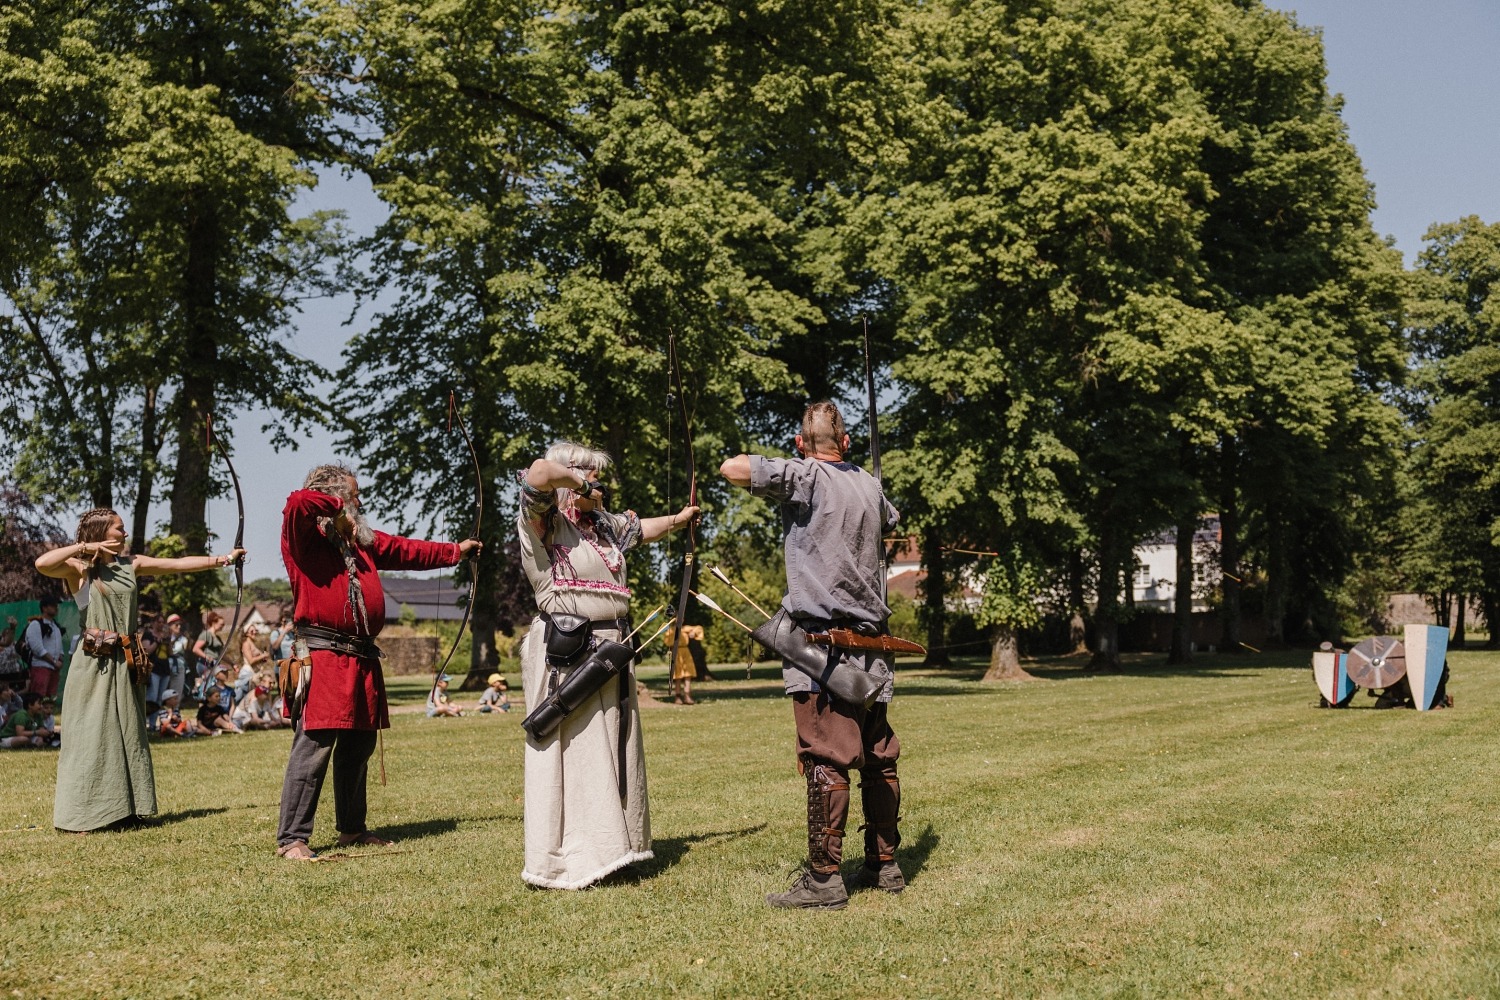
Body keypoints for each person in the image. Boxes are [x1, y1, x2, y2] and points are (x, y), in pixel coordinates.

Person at [720, 400, 905, 909]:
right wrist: (862, 474)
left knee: (827, 757)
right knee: (878, 757)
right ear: (845, 443)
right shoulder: (869, 483)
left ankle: (824, 881)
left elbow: (732, 467)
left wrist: (796, 466)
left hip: (823, 646)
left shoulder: (803, 475)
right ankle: (884, 865)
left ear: (802, 445)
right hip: (874, 644)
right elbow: (891, 517)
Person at [275, 463, 480, 861]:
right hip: (322, 654)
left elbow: (406, 550)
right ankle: (292, 839)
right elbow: (298, 502)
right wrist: (337, 505)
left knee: (359, 746)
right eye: (355, 497)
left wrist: (456, 552)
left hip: (361, 656)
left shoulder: (360, 542)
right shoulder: (304, 538)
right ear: (334, 500)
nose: (360, 503)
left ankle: (352, 829)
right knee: (314, 747)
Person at [515, 441, 697, 889]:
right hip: (568, 648)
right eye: (589, 474)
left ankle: (619, 848)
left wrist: (679, 519)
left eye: (598, 475)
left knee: (615, 747)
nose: (597, 483)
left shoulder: (604, 526)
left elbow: (642, 529)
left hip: (612, 646)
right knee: (576, 749)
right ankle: (573, 857)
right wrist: (576, 480)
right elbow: (538, 473)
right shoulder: (543, 520)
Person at [33, 508, 244, 831]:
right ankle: (88, 814)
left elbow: (177, 565)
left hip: (127, 661)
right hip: (93, 665)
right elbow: (42, 564)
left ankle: (126, 809)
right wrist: (83, 549)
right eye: (118, 529)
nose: (124, 534)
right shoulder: (79, 569)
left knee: (128, 733)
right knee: (93, 734)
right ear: (102, 533)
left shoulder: (132, 564)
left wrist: (225, 559)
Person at [22, 596, 65, 698]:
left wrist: (59, 661)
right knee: (38, 697)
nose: (56, 608)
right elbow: (37, 649)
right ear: (44, 608)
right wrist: (54, 662)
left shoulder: (56, 627)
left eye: (56, 605)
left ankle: (47, 714)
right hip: (40, 666)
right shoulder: (35, 624)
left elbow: (60, 648)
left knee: (50, 699)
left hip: (54, 669)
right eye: (53, 605)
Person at [191, 610, 226, 698]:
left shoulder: (217, 637)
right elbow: (195, 649)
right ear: (214, 623)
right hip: (205, 664)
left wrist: (232, 664)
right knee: (206, 688)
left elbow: (221, 654)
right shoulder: (206, 635)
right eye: (221, 624)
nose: (223, 627)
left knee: (212, 687)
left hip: (214, 665)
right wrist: (207, 657)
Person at [663, 623, 698, 705]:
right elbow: (668, 642)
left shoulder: (686, 628)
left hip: (686, 652)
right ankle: (677, 697)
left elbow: (698, 629)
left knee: (688, 674)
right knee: (678, 675)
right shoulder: (670, 630)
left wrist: (693, 632)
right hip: (676, 652)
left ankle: (687, 696)